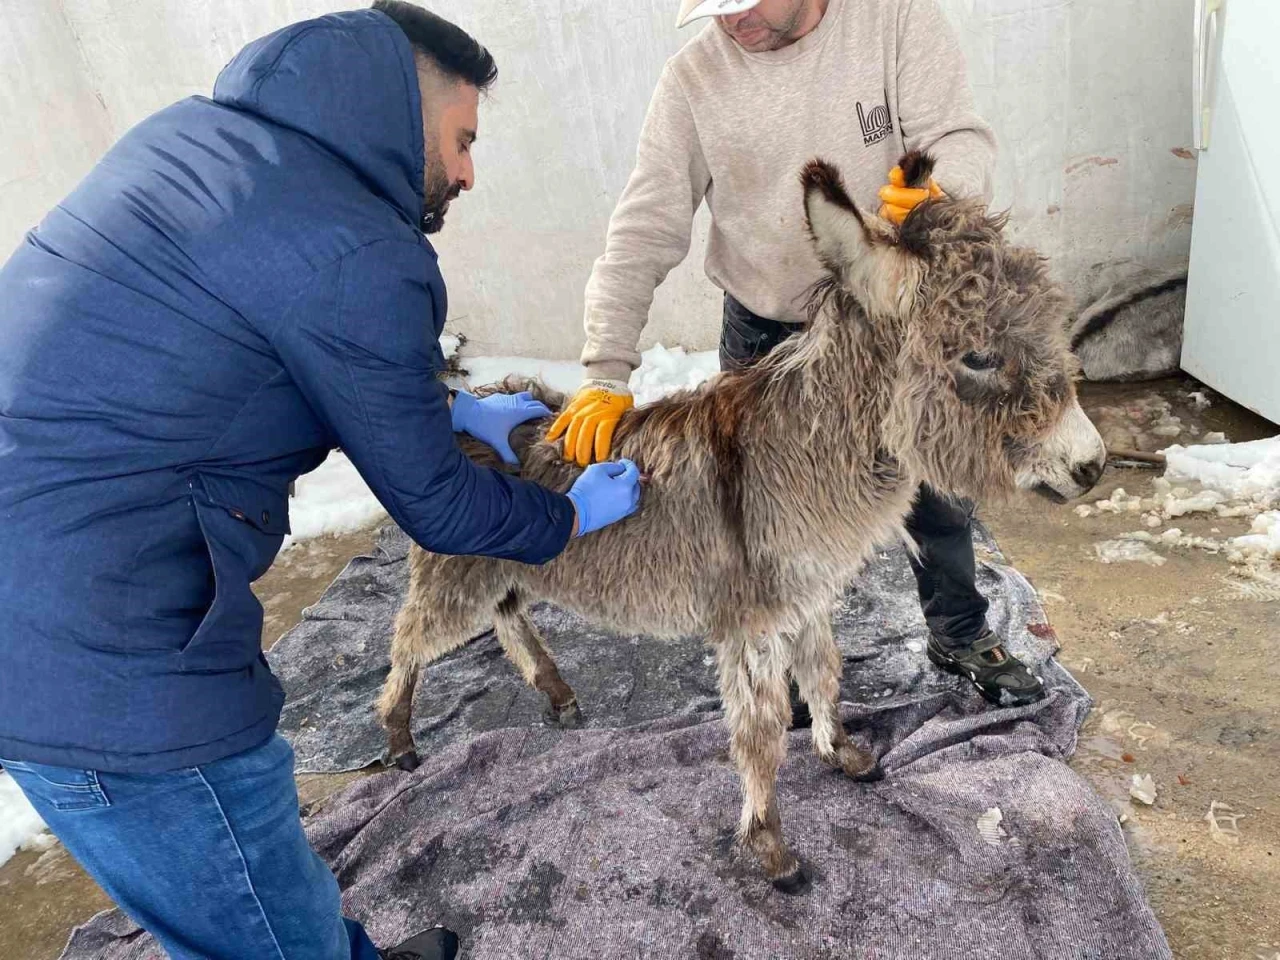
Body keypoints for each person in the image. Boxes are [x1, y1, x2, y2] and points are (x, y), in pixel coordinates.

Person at [0, 3, 640, 958]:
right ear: (397, 111)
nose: (468, 171)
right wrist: (566, 514)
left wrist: (452, 411)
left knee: (248, 892)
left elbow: (247, 350)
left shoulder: (198, 142)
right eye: (463, 140)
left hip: (40, 584)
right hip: (100, 650)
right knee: (240, 868)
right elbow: (439, 503)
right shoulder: (360, 251)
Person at [548, 0, 1045, 707]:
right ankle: (780, 657)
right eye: (711, 8)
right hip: (767, 331)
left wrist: (941, 196)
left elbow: (959, 135)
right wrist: (604, 369)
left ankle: (960, 632)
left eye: (742, 3)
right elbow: (644, 226)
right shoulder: (694, 79)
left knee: (935, 493)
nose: (729, 21)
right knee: (764, 515)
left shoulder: (894, 21)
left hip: (893, 333)